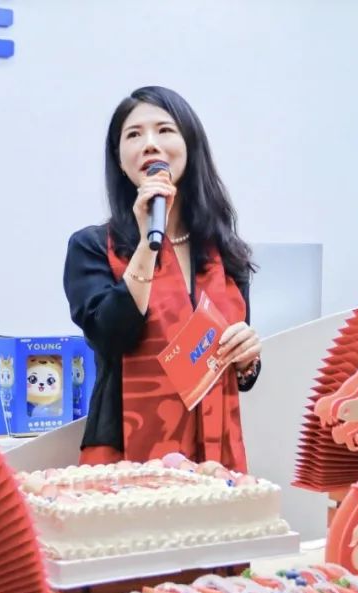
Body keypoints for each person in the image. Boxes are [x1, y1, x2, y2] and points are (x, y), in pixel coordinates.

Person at [63, 86, 262, 471]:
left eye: (165, 130)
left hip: (214, 454)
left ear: (190, 146)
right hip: (124, 454)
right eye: (134, 135)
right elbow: (111, 336)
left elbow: (238, 372)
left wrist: (247, 360)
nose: (150, 144)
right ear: (120, 160)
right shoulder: (91, 247)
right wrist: (147, 244)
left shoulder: (225, 253)